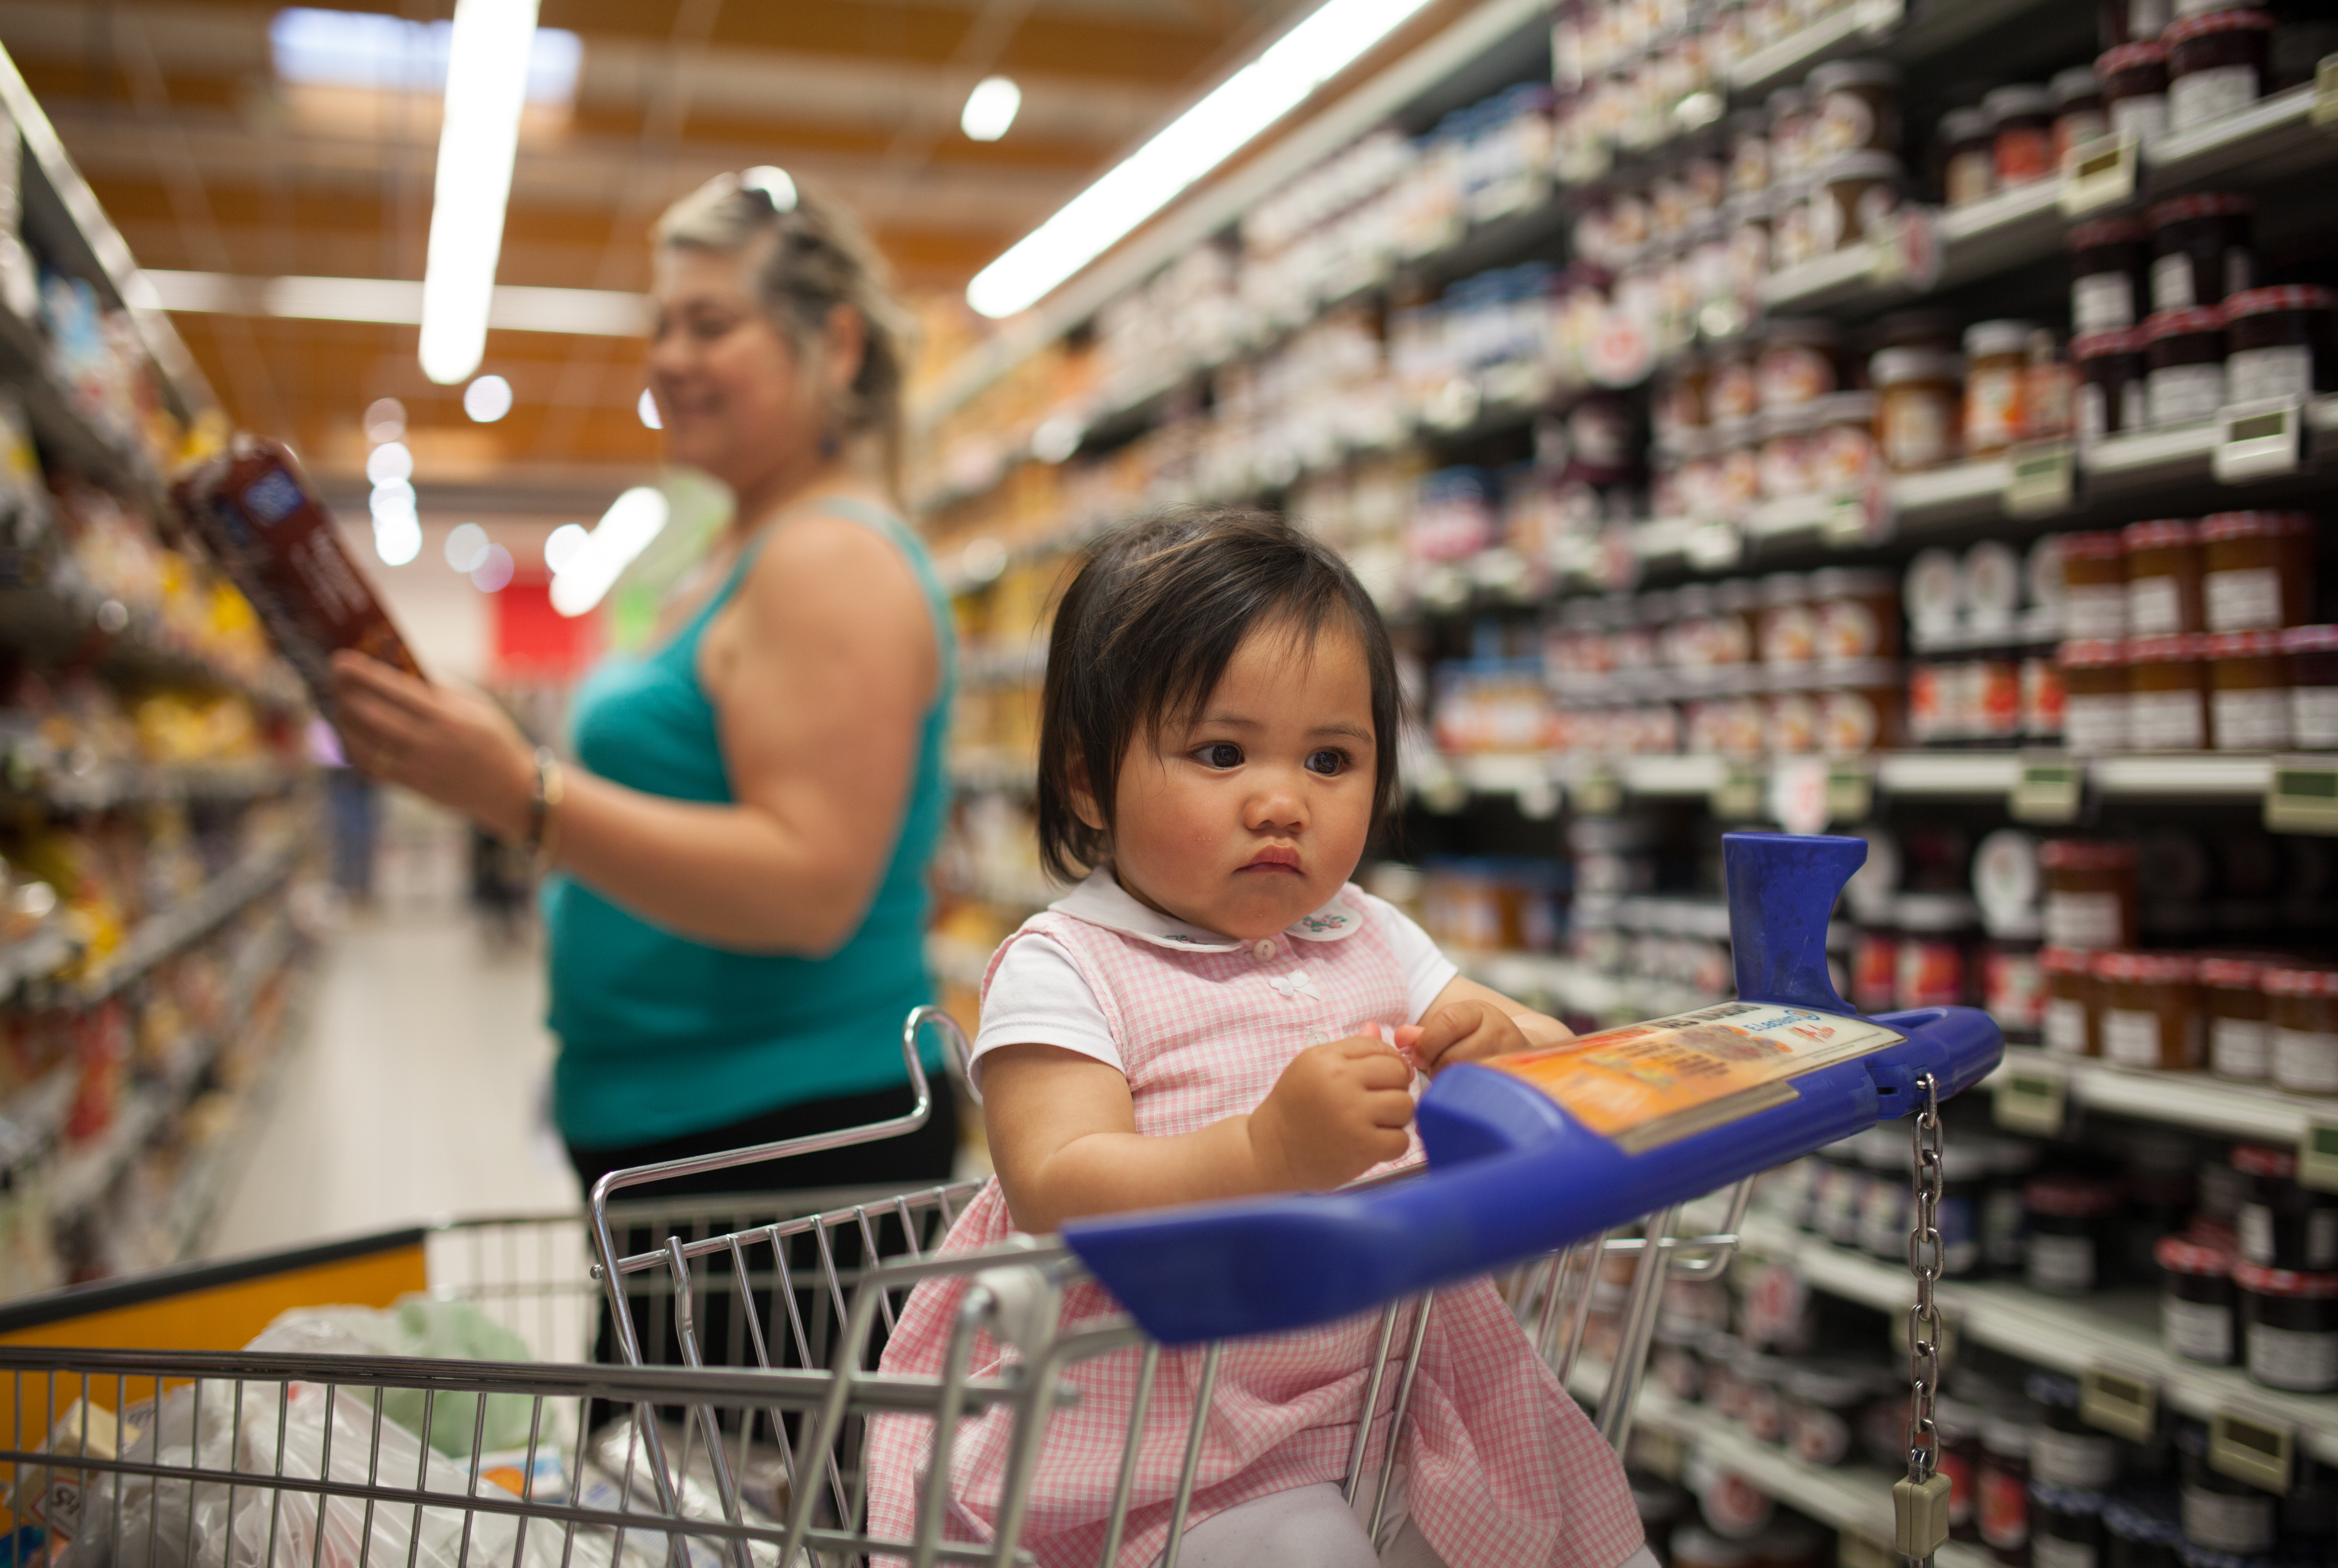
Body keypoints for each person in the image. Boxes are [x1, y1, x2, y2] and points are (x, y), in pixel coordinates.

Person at [865, 511, 1648, 1568]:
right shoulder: (1070, 965)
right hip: (1173, 1427)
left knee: (1563, 1511)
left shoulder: (1371, 931)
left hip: (1397, 1383)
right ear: (1092, 780)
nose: (1282, 803)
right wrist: (1265, 1155)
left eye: (1331, 759)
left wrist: (1503, 1044)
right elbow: (1055, 1184)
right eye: (1222, 753)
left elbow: (1545, 1046)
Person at [328, 169, 960, 1337]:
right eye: (662, 324)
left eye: (710, 323)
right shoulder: (732, 552)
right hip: (685, 1145)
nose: (669, 356)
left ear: (834, 343)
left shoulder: (832, 560)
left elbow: (813, 885)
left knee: (752, 1516)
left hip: (786, 1153)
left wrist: (519, 792)